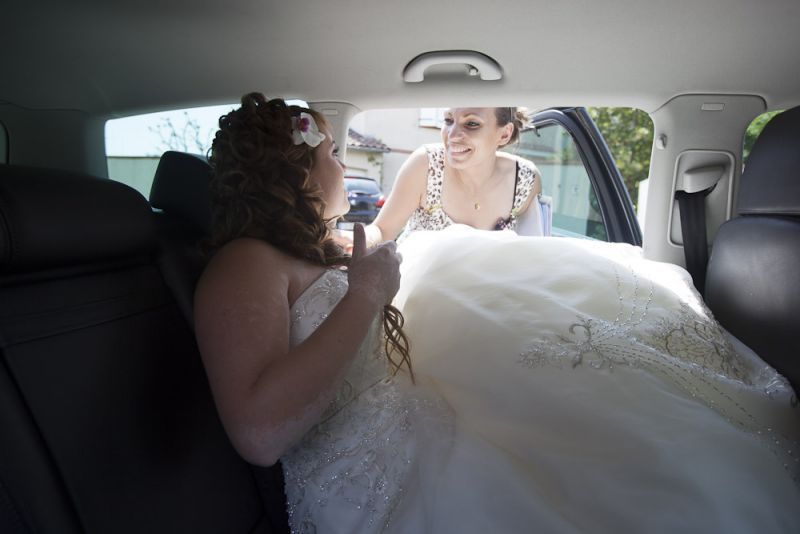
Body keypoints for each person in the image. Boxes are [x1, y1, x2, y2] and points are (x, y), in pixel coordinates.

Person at [195, 94, 800, 534]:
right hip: (369, 470)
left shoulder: (297, 251)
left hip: (417, 416)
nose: (341, 165)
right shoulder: (244, 263)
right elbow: (259, 435)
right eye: (331, 151)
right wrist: (364, 296)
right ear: (296, 169)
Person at [363, 107, 544, 247]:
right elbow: (382, 230)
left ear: (504, 134)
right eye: (449, 120)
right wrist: (362, 239)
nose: (452, 135)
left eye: (471, 124)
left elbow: (530, 248)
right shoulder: (425, 165)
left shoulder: (525, 180)